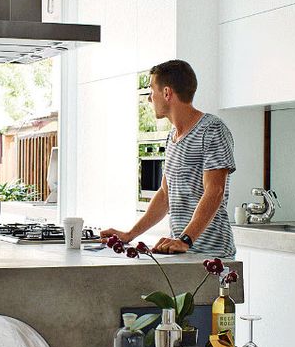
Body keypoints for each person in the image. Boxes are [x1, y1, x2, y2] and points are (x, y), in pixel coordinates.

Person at [101, 60, 236, 257]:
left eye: (151, 91)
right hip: (181, 253)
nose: (149, 99)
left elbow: (215, 190)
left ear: (166, 93)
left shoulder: (212, 129)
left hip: (212, 255)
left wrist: (185, 239)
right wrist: (130, 235)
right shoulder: (171, 137)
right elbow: (165, 194)